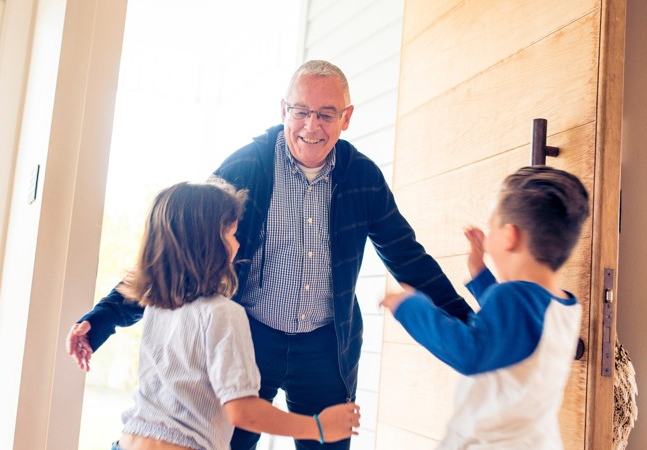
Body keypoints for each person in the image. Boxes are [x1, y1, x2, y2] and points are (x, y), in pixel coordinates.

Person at [68, 60, 472, 450]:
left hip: (325, 346)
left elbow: (407, 257)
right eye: (301, 112)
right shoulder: (246, 168)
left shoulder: (363, 178)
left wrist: (471, 327)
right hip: (250, 334)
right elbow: (180, 247)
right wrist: (101, 319)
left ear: (346, 118)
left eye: (327, 115)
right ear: (284, 110)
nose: (312, 126)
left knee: (328, 439)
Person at [80, 179, 360, 450]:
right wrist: (319, 427)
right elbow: (242, 411)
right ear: (207, 243)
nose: (238, 245)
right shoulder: (223, 314)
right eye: (231, 234)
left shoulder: (157, 305)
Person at [380, 166, 590, 449]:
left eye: (492, 228)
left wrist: (410, 307)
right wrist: (479, 272)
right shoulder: (565, 305)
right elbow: (509, 330)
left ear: (509, 237)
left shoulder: (516, 299)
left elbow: (470, 351)